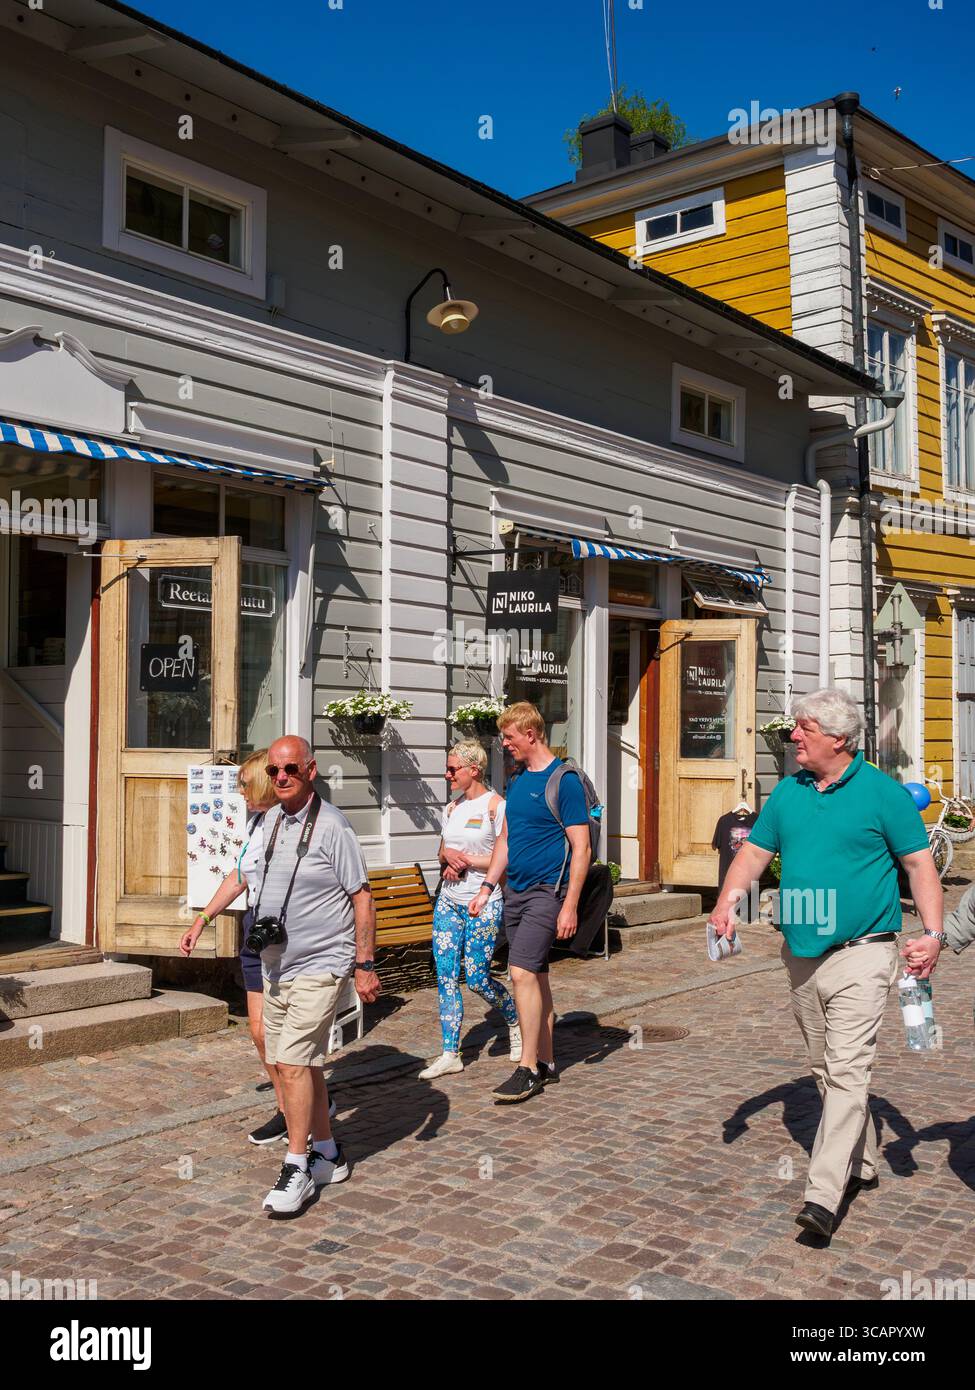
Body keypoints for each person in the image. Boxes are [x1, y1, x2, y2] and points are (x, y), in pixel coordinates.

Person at [709, 688, 943, 1239]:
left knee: (847, 1069)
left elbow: (918, 866)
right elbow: (754, 854)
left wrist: (933, 934)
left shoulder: (883, 794)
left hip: (865, 950)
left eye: (804, 728)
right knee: (824, 1068)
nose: (793, 736)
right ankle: (862, 1162)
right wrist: (726, 903)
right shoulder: (789, 792)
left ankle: (821, 1195)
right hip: (801, 955)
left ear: (838, 739)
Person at [188, 734, 380, 1214]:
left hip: (322, 962)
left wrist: (364, 964)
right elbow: (243, 876)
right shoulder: (270, 821)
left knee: (292, 1064)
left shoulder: (333, 826)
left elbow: (362, 897)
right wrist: (203, 919)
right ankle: (329, 1154)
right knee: (303, 1063)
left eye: (291, 769)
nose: (281, 777)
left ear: (310, 770)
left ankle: (297, 1166)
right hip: (277, 964)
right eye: (274, 770)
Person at [469, 702, 591, 1104]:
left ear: (530, 734)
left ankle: (527, 1067)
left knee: (519, 972)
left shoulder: (564, 781)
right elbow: (505, 839)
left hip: (547, 892)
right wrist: (487, 887)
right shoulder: (518, 781)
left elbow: (582, 847)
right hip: (515, 892)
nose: (505, 744)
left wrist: (570, 905)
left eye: (509, 737)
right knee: (535, 974)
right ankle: (548, 1061)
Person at [180, 750, 296, 1144]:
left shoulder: (292, 825)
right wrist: (202, 920)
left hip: (286, 936)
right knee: (260, 1033)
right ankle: (288, 1106)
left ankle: (301, 1108)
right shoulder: (257, 823)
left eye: (244, 784)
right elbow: (238, 877)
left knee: (286, 1034)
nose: (240, 792)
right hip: (255, 930)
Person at [419, 740, 520, 1080]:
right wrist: (448, 859)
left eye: (453, 769)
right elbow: (442, 851)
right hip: (449, 901)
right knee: (446, 977)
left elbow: (506, 858)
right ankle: (450, 1053)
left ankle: (515, 1019)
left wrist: (467, 861)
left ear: (474, 770)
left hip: (483, 901)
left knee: (477, 978)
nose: (447, 775)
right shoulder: (451, 808)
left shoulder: (496, 807)